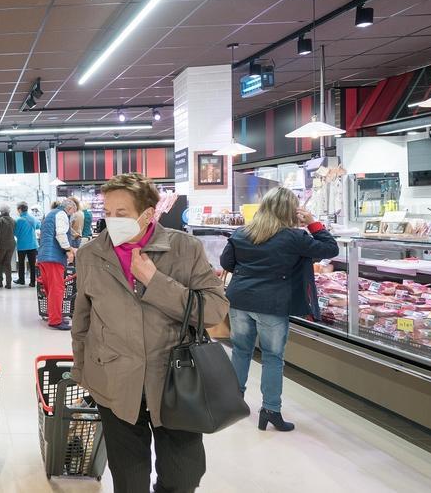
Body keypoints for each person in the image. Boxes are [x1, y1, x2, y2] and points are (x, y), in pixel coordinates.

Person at [71, 173, 229, 493]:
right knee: (129, 478)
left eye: (122, 213)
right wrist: (83, 371)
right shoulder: (91, 254)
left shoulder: (183, 247)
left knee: (183, 475)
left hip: (175, 381)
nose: (112, 221)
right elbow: (82, 320)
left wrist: (156, 281)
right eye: (108, 213)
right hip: (114, 380)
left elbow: (214, 309)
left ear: (148, 213)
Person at [220, 187, 338, 432]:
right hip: (273, 304)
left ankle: (233, 402)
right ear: (289, 211)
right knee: (272, 357)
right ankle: (271, 410)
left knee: (241, 351)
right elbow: (330, 249)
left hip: (240, 300)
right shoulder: (294, 237)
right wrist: (314, 223)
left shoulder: (242, 232)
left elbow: (226, 263)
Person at [37, 198, 79, 330]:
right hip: (53, 257)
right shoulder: (61, 214)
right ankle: (55, 320)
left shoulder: (51, 214)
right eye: (73, 212)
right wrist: (69, 250)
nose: (72, 215)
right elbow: (60, 234)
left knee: (50, 289)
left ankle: (54, 315)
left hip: (44, 256)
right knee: (57, 289)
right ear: (70, 208)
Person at [13, 202, 38, 287]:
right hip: (33, 244)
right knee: (32, 264)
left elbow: (15, 232)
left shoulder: (19, 220)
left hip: (22, 245)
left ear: (20, 209)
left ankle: (22, 280)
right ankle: (33, 282)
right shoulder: (33, 218)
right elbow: (38, 226)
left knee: (21, 263)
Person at [0, 205, 16, 289]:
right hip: (11, 244)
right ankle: (8, 283)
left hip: (2, 245)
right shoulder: (13, 220)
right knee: (7, 263)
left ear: (1, 212)